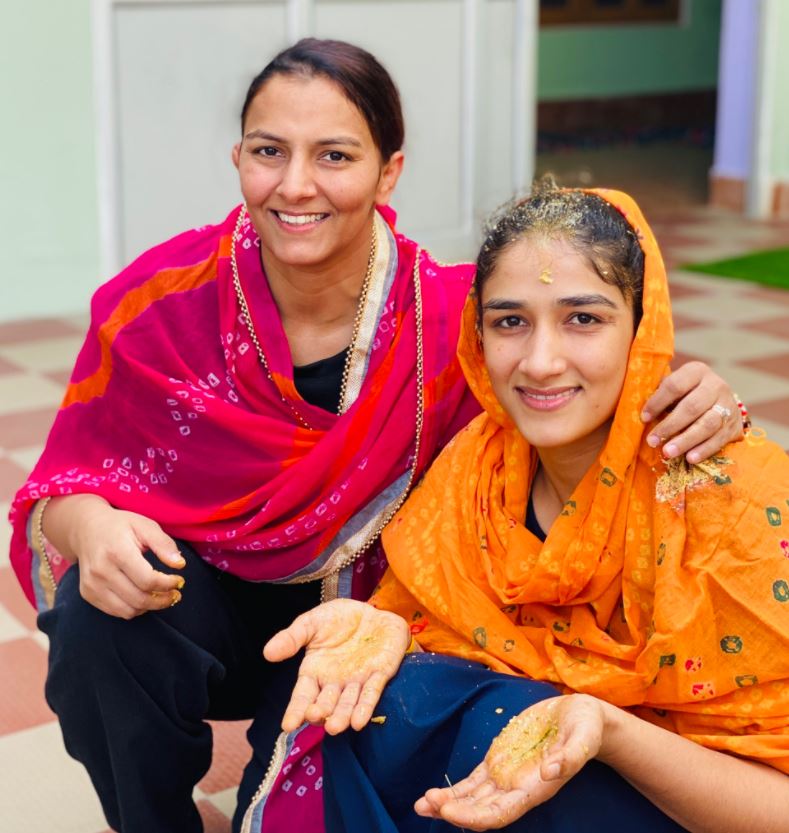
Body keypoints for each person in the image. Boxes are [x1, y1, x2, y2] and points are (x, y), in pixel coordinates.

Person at [8, 37, 741, 833]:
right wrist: (89, 525)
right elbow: (57, 490)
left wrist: (699, 396)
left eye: (334, 155)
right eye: (268, 151)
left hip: (379, 617)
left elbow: (582, 373)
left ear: (389, 170)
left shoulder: (454, 320)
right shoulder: (159, 303)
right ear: (237, 157)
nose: (295, 184)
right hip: (194, 611)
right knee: (91, 616)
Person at [264, 184, 789, 833]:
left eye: (583, 318)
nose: (540, 362)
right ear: (478, 335)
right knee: (370, 699)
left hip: (684, 804)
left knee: (532, 750)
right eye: (509, 321)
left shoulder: (730, 499)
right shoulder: (474, 470)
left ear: (641, 328)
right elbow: (426, 618)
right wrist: (385, 627)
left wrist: (612, 732)